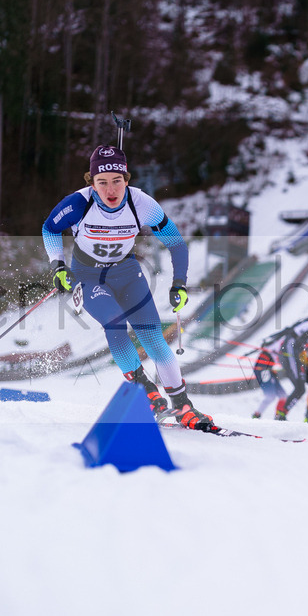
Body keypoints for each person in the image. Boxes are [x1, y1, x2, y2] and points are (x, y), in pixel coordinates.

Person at [41, 144, 214, 431]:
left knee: (155, 340)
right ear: (92, 183)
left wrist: (180, 283)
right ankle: (146, 390)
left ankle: (183, 405)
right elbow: (50, 228)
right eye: (102, 182)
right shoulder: (78, 204)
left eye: (117, 181)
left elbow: (176, 243)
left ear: (127, 179)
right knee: (114, 322)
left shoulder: (142, 205)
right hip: (88, 275)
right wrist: (58, 265)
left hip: (127, 272)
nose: (111, 190)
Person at [249, 348, 286, 419]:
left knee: (283, 395)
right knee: (271, 396)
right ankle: (256, 415)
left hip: (269, 367)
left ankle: (279, 416)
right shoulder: (279, 342)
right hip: (263, 367)